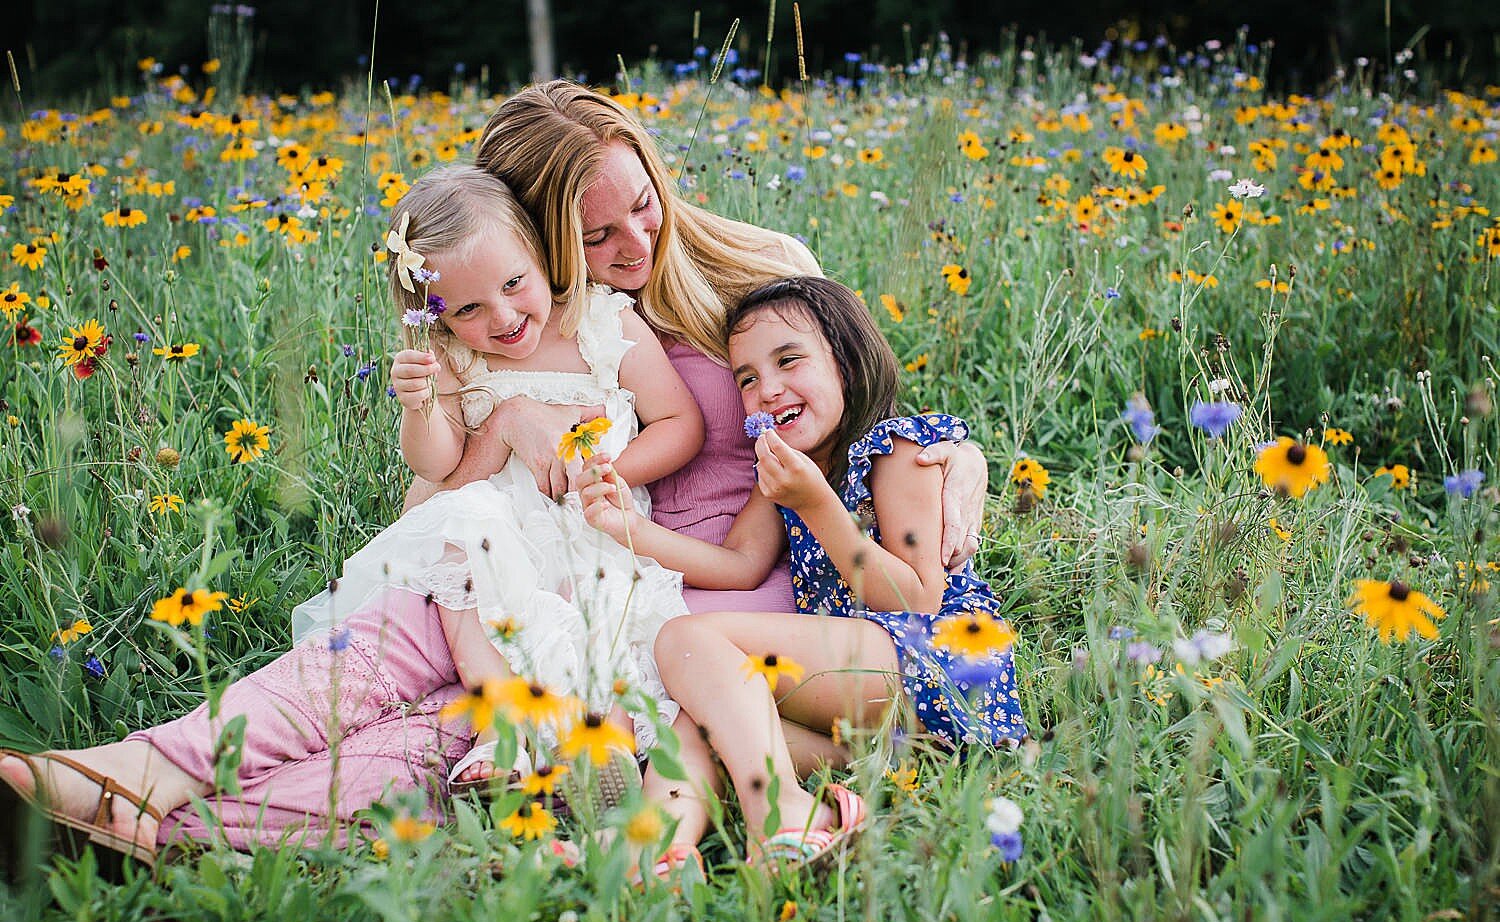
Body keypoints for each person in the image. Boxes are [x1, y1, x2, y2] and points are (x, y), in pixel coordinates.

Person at [0, 165, 703, 868]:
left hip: (580, 585)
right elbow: (441, 472)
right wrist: (425, 406)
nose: (501, 319)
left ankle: (159, 821)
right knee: (354, 672)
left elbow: (679, 424)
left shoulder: (603, 324)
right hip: (470, 568)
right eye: (466, 310)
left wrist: (602, 477)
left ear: (538, 255)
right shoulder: (459, 360)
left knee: (409, 757)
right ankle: (137, 781)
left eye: (514, 286)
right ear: (437, 315)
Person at [420, 81, 993, 806]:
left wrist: (962, 461)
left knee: (680, 685)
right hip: (634, 574)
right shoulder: (520, 329)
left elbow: (861, 415)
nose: (636, 243)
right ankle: (665, 853)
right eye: (596, 237)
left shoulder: (767, 269)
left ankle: (773, 803)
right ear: (536, 243)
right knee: (663, 706)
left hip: (756, 597)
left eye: (643, 203)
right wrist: (515, 418)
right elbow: (438, 497)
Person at [579, 277, 1026, 868]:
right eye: (746, 379)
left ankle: (786, 809)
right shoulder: (789, 473)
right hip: (866, 701)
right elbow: (739, 565)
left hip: (928, 662)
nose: (767, 390)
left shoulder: (897, 451)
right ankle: (655, 844)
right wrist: (629, 529)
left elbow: (917, 595)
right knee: (707, 712)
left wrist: (817, 502)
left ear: (844, 359)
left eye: (789, 361)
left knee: (686, 640)